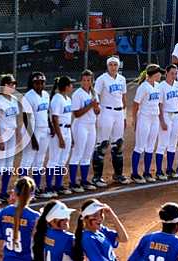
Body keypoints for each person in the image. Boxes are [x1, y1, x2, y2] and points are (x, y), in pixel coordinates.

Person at [92, 56, 130, 187]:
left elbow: (124, 99)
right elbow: (95, 94)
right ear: (107, 66)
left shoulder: (122, 79)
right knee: (102, 144)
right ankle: (97, 177)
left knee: (118, 144)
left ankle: (118, 175)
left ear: (118, 66)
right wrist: (96, 107)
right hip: (106, 112)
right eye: (111, 65)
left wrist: (124, 116)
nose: (113, 67)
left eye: (115, 65)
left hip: (119, 113)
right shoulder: (102, 79)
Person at [130, 64, 165, 184]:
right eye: (159, 73)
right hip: (144, 118)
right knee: (140, 146)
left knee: (150, 147)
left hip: (154, 118)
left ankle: (147, 172)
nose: (161, 75)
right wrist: (134, 120)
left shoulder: (158, 86)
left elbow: (159, 103)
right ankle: (134, 174)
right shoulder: (143, 87)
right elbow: (135, 105)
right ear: (154, 74)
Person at [18, 72, 51, 196]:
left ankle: (35, 188)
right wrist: (32, 138)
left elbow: (47, 113)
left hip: (44, 131)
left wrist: (50, 127)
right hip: (32, 131)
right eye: (37, 82)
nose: (40, 85)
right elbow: (26, 119)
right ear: (32, 83)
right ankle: (22, 189)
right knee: (27, 161)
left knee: (39, 161)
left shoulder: (46, 95)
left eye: (42, 82)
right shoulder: (28, 96)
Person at [68, 70, 100, 193]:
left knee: (87, 154)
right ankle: (72, 182)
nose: (87, 82)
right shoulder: (78, 94)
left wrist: (96, 107)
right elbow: (76, 114)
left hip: (91, 125)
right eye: (84, 80)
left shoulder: (94, 93)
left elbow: (97, 112)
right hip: (80, 126)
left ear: (92, 81)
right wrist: (91, 105)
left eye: (89, 80)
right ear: (81, 81)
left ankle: (84, 180)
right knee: (77, 154)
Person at [42, 76, 74, 198]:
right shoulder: (57, 99)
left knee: (62, 160)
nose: (72, 86)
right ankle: (49, 187)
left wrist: (70, 136)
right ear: (66, 86)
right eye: (70, 84)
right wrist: (60, 137)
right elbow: (55, 119)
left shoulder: (68, 99)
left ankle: (58, 185)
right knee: (53, 160)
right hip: (59, 131)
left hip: (67, 130)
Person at [0, 74, 20, 201]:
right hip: (2, 135)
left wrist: (17, 132)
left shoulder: (13, 99)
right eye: (9, 84)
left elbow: (15, 118)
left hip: (12, 134)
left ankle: (3, 192)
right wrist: (0, 139)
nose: (12, 86)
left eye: (13, 84)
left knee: (9, 165)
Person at [0, 177, 40, 261]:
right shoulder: (35, 217)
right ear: (32, 195)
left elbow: (0, 241)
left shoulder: (4, 212)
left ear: (15, 192)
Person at [155, 65, 178, 179]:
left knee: (173, 144)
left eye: (176, 73)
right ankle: (158, 171)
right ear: (166, 73)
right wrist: (162, 121)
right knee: (162, 144)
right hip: (166, 115)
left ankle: (170, 169)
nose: (174, 76)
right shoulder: (161, 86)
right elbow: (160, 105)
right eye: (172, 73)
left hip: (176, 116)